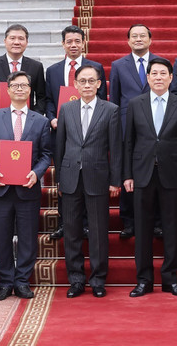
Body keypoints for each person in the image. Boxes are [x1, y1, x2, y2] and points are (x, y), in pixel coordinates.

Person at [123, 58, 177, 297]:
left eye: (163, 73)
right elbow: (129, 143)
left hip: (172, 175)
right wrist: (127, 175)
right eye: (154, 73)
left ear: (171, 78)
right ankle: (143, 280)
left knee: (172, 228)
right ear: (148, 77)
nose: (158, 77)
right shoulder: (135, 104)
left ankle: (170, 279)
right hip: (142, 175)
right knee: (142, 230)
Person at [0, 72, 53, 301]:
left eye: (24, 85)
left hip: (27, 187)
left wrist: (37, 172)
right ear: (8, 90)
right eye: (15, 85)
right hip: (1, 187)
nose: (19, 89)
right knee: (0, 237)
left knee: (27, 237)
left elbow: (46, 153)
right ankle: (4, 282)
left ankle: (22, 281)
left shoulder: (40, 121)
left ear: (30, 90)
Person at [55, 65, 122, 298]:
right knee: (72, 231)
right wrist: (60, 180)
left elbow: (116, 148)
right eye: (82, 81)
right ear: (75, 84)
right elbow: (60, 146)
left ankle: (98, 279)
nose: (86, 85)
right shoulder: (66, 109)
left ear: (99, 84)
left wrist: (115, 180)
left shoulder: (111, 110)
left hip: (98, 177)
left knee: (97, 231)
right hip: (71, 177)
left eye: (91, 81)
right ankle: (76, 280)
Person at [45, 25, 107, 240]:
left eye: (77, 41)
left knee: (89, 179)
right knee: (66, 177)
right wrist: (53, 118)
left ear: (83, 43)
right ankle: (65, 222)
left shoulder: (95, 67)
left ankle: (89, 224)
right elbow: (49, 100)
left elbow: (104, 102)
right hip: (64, 133)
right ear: (63, 44)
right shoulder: (52, 70)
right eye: (69, 41)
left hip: (91, 135)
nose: (73, 45)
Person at [110, 23, 159, 239]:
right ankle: (128, 222)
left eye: (142, 36)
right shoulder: (118, 65)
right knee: (127, 173)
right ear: (128, 41)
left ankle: (157, 222)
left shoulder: (159, 65)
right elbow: (116, 98)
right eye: (134, 36)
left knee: (155, 174)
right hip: (126, 126)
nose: (138, 39)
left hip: (155, 126)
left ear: (150, 39)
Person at [0, 24, 46, 119]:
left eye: (21, 38)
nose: (16, 42)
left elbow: (42, 97)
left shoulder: (36, 66)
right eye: (12, 38)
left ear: (27, 42)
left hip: (27, 121)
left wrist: (34, 117)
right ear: (5, 41)